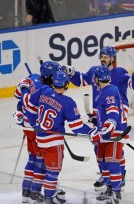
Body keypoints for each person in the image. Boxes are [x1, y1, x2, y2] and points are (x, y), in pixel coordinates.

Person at [67, 46, 134, 190]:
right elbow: (81, 80)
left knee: (115, 147)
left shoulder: (119, 72)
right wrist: (72, 73)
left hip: (117, 116)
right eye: (101, 56)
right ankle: (105, 173)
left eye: (106, 57)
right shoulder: (96, 71)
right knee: (98, 146)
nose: (103, 59)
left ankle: (121, 174)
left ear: (113, 58)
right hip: (98, 115)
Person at [23, 70, 93, 204]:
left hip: (40, 139)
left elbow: (30, 104)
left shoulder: (44, 90)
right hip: (53, 143)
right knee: (52, 171)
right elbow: (77, 126)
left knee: (46, 168)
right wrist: (91, 132)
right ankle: (49, 198)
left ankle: (51, 194)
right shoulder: (68, 102)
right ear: (66, 84)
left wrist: (34, 123)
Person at [13, 61, 62, 203]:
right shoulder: (46, 90)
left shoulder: (32, 78)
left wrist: (23, 87)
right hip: (37, 129)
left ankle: (26, 189)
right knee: (41, 160)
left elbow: (17, 95)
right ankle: (36, 191)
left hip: (27, 126)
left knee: (32, 158)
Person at [88, 65, 126, 204]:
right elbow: (105, 114)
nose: (94, 80)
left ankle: (116, 192)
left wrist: (104, 130)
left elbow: (113, 114)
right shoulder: (104, 91)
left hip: (112, 134)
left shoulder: (109, 91)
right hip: (104, 134)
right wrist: (96, 122)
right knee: (103, 162)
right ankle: (110, 187)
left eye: (95, 78)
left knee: (112, 162)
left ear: (98, 79)